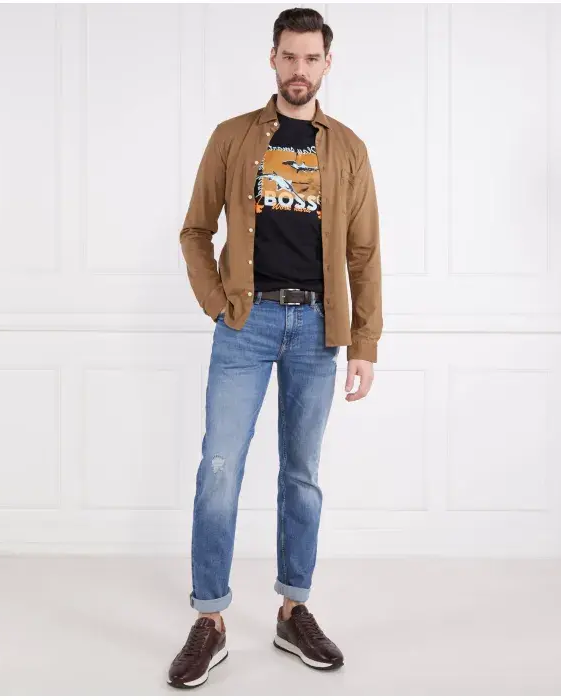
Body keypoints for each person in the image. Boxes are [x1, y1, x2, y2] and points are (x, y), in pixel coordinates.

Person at [167, 6, 382, 689]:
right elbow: (195, 230)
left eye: (311, 58)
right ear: (272, 58)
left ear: (327, 63)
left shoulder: (348, 149)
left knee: (302, 475)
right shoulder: (233, 137)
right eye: (289, 56)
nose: (299, 69)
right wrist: (218, 303)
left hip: (318, 329)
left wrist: (364, 341)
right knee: (220, 467)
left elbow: (363, 252)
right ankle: (210, 619)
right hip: (246, 323)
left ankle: (294, 610)